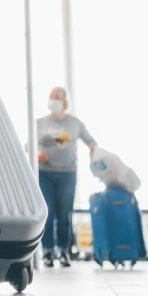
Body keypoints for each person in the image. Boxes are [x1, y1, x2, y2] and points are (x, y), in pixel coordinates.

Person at [37, 86, 97, 268]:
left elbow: (91, 142)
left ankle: (64, 251)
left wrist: (97, 160)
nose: (54, 100)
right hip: (44, 172)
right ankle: (47, 251)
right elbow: (28, 145)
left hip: (67, 173)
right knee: (47, 213)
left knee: (64, 214)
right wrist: (38, 152)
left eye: (58, 97)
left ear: (65, 102)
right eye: (51, 96)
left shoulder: (75, 123)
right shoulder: (39, 123)